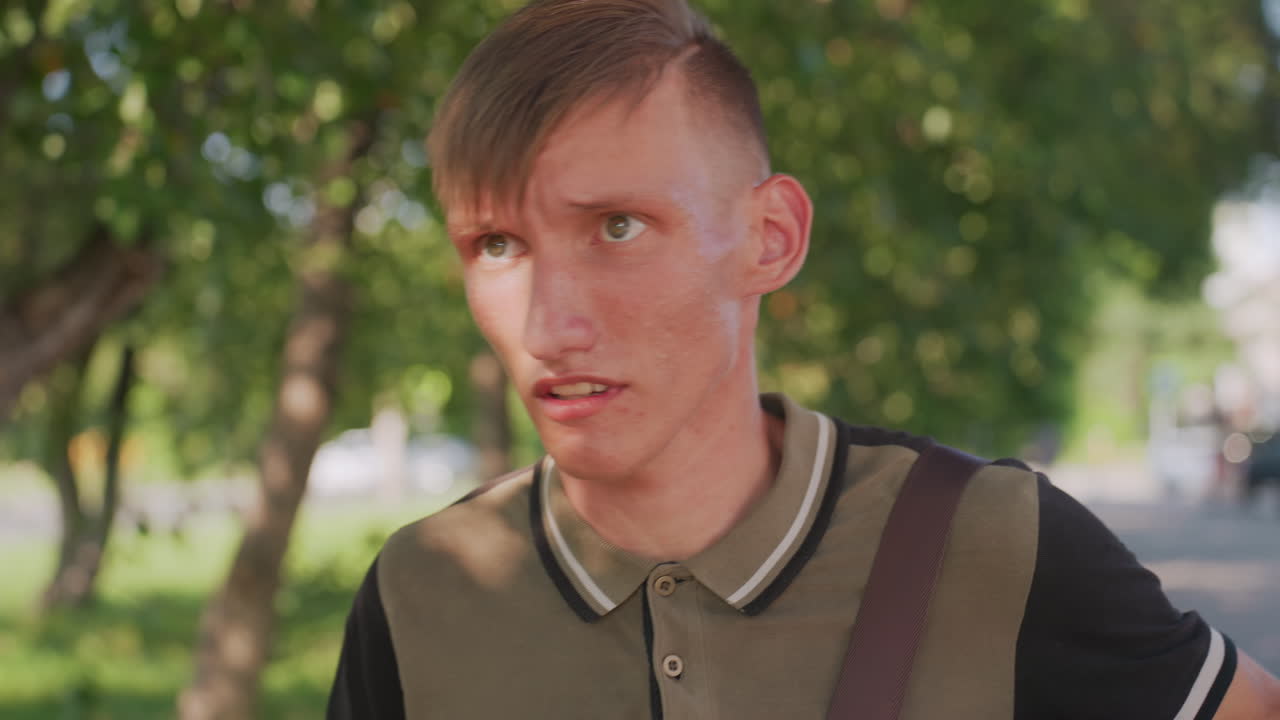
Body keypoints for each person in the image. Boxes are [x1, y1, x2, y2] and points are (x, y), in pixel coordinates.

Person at [327, 1, 1280, 717]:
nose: (549, 323)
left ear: (770, 238)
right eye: (497, 244)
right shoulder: (421, 589)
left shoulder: (989, 541)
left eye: (618, 227)